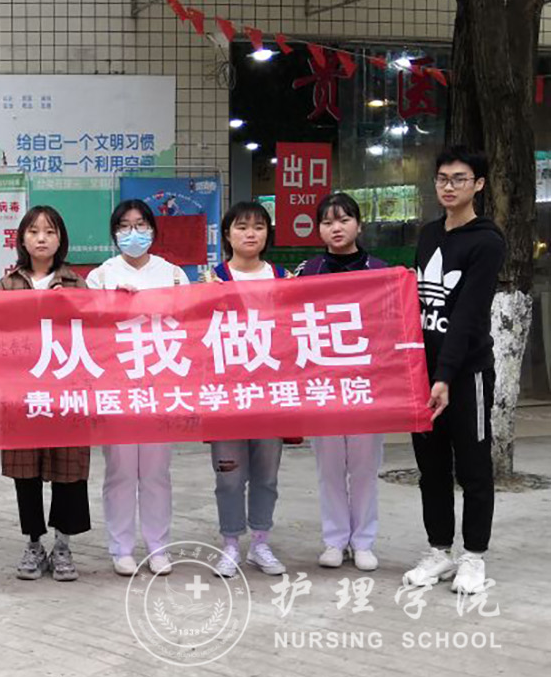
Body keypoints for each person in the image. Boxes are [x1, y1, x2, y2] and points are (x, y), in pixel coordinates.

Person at [403, 146, 505, 595]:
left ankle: (474, 556)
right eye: (442, 178)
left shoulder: (487, 241)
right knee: (432, 469)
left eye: (459, 179)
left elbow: (466, 316)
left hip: (466, 376)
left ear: (478, 184)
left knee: (474, 468)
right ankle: (439, 551)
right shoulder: (428, 235)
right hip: (422, 376)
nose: (449, 186)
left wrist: (444, 377)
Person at [86, 199, 188, 577]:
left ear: (153, 230)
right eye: (125, 226)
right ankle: (122, 547)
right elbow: (89, 332)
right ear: (114, 233)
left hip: (161, 382)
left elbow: (189, 323)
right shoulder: (101, 276)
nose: (133, 233)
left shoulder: (173, 274)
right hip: (119, 385)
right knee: (121, 470)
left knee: (157, 471)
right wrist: (112, 305)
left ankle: (158, 546)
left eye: (141, 224)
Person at [294, 193, 388, 573]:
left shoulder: (380, 271)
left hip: (367, 386)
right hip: (324, 386)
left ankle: (363, 541)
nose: (337, 228)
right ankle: (334, 540)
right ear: (319, 229)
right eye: (328, 222)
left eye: (344, 220)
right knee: (330, 468)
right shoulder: (308, 272)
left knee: (364, 468)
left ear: (359, 225)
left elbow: (391, 326)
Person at [0, 206, 89, 581]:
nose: (41, 238)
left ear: (60, 239)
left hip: (66, 393)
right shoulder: (7, 285)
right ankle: (33, 543)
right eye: (33, 231)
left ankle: (63, 545)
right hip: (23, 394)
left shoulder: (76, 284)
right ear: (22, 238)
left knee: (69, 470)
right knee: (26, 471)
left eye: (50, 232)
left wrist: (67, 306)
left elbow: (95, 334)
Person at [205, 201, 292, 579]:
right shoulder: (211, 280)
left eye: (258, 226)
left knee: (266, 473)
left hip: (271, 393)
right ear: (227, 235)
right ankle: (230, 544)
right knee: (228, 474)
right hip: (226, 395)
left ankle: (260, 542)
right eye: (241, 227)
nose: (250, 234)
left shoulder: (284, 278)